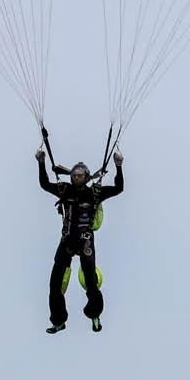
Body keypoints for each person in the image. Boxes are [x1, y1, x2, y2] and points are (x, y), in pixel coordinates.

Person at [36, 135, 125, 333]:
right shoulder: (64, 190)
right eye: (74, 174)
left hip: (85, 242)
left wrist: (118, 166)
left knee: (91, 283)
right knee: (54, 284)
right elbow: (44, 184)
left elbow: (119, 188)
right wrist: (41, 162)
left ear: (86, 176)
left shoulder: (94, 193)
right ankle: (58, 320)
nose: (76, 177)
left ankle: (95, 314)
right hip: (67, 241)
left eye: (80, 175)